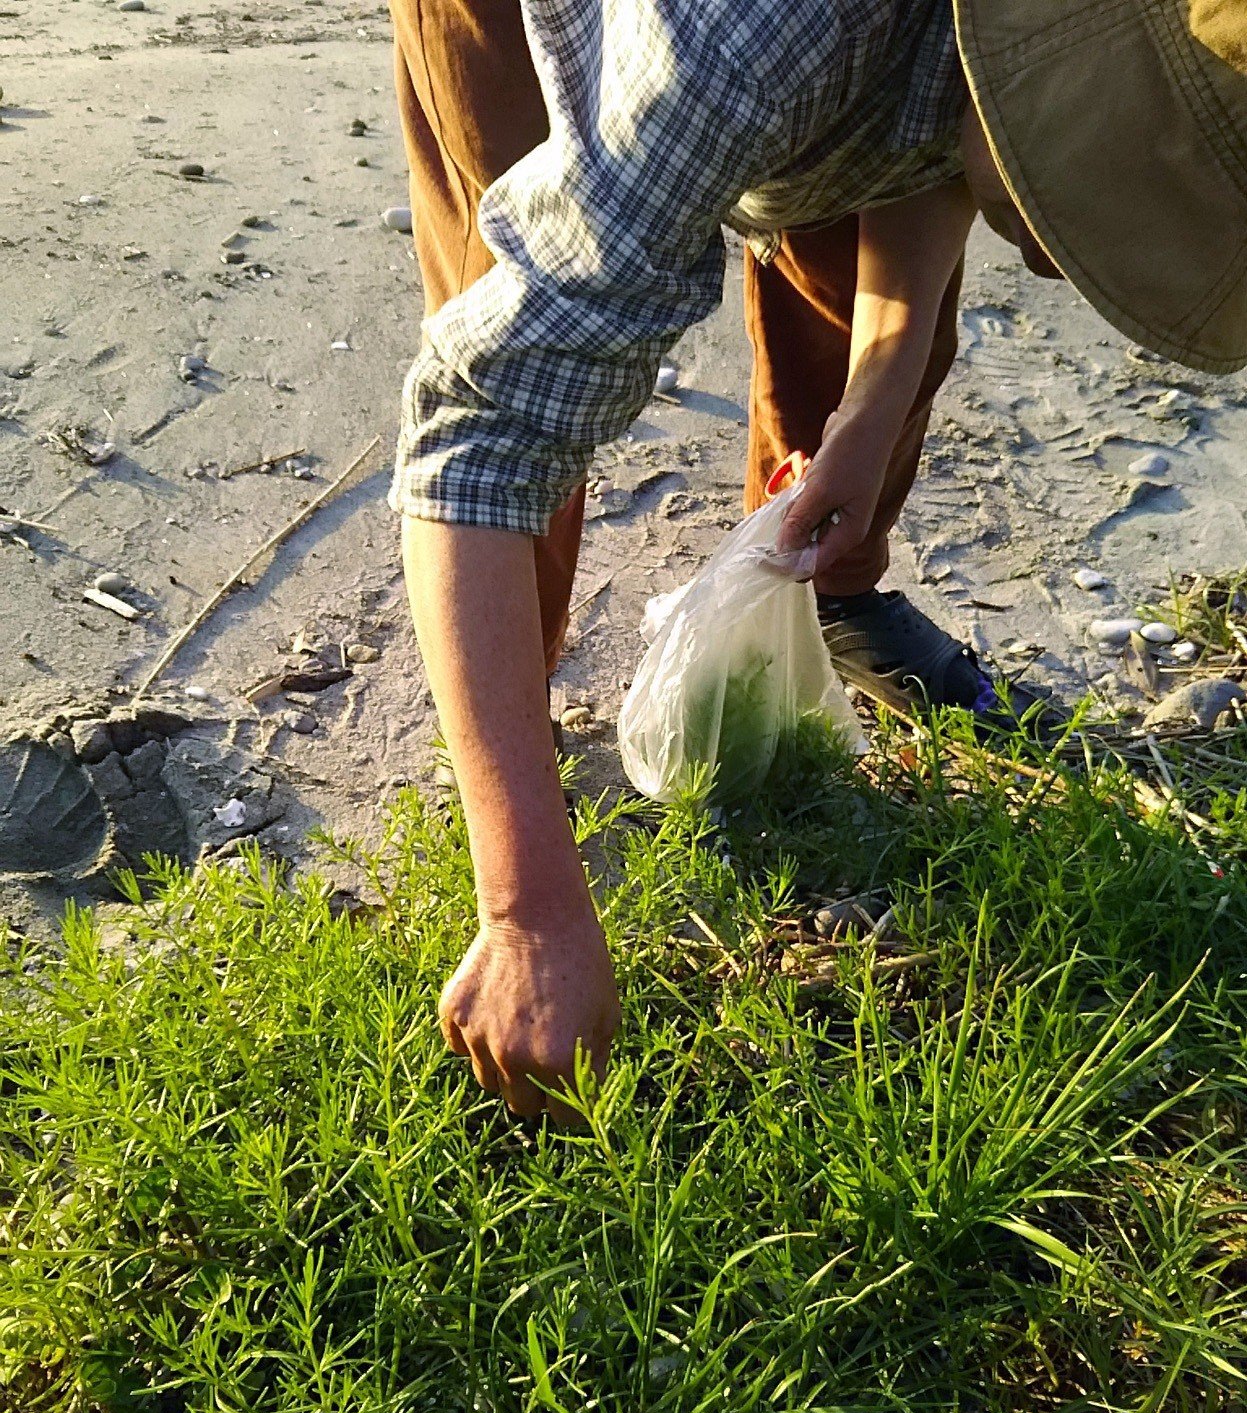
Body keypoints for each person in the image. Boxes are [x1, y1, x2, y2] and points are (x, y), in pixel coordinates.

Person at [388, 0, 1247, 1122]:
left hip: (825, 56)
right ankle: (510, 734)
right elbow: (475, 430)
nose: (1053, 264)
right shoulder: (738, 51)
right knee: (516, 329)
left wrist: (872, 403)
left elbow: (939, 115)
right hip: (584, 33)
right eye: (1086, 202)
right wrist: (527, 908)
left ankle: (828, 603)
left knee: (851, 307)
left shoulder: (1009, 43)